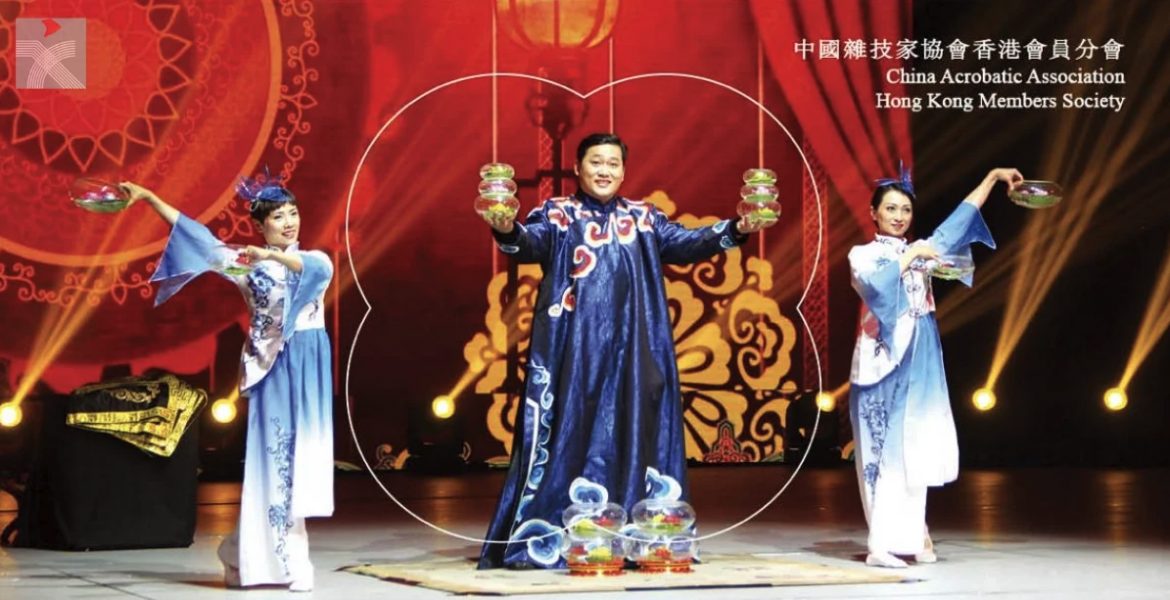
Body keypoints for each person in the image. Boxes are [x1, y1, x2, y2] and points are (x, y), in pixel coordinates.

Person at [476, 133, 777, 569]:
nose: (604, 170)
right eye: (596, 162)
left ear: (623, 171)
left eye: (613, 163)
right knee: (567, 435)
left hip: (634, 355)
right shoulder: (559, 215)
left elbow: (688, 242)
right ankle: (555, 538)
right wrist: (505, 226)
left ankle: (638, 538)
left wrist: (737, 229)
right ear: (578, 168)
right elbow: (528, 243)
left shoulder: (644, 218)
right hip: (573, 355)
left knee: (636, 435)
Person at [122, 170, 334, 591]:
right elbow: (197, 238)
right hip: (272, 367)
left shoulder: (315, 259)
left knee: (304, 463)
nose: (289, 222)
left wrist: (269, 255)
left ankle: (241, 551)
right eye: (278, 217)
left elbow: (307, 268)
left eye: (293, 213)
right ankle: (283, 561)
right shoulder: (245, 266)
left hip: (309, 368)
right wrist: (150, 198)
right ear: (260, 225)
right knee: (273, 462)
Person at [847, 163, 1022, 568]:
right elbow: (877, 286)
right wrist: (912, 255)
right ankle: (880, 545)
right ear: (874, 213)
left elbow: (959, 221)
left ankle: (912, 534)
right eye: (891, 208)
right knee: (880, 452)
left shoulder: (924, 249)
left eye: (906, 209)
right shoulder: (864, 255)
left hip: (921, 359)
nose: (899, 216)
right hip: (881, 364)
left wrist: (992, 178)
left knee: (915, 447)